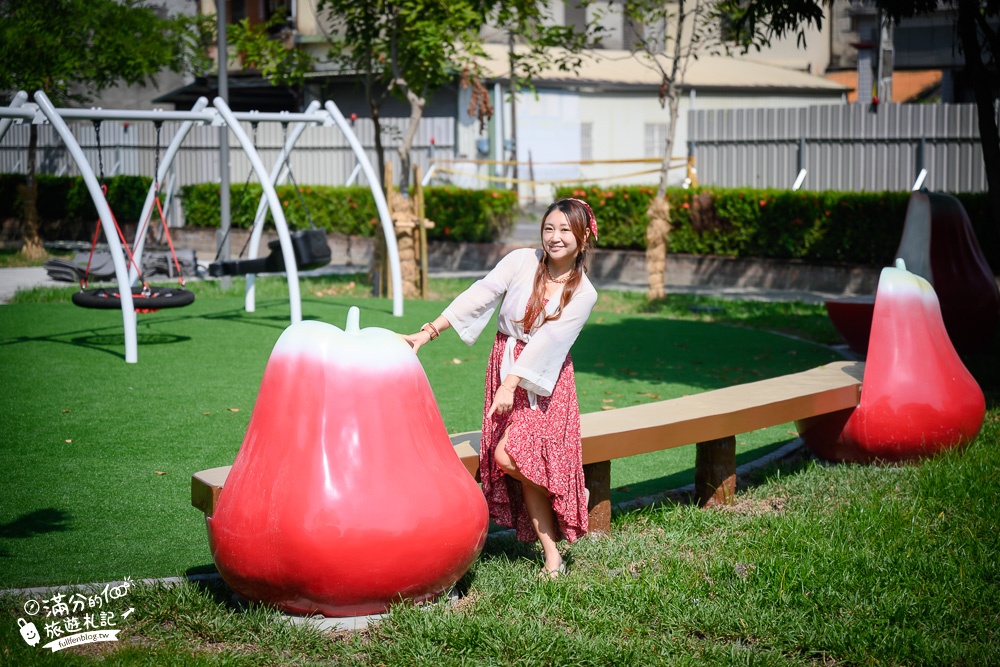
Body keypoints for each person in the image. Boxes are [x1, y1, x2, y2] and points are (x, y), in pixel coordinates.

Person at [404, 198, 599, 578]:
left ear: (583, 237)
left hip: (546, 382)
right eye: (549, 228)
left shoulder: (584, 293)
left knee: (510, 457)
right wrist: (428, 332)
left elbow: (549, 343)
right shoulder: (521, 261)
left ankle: (568, 497)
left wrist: (510, 384)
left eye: (564, 230)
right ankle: (553, 555)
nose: (555, 237)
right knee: (518, 459)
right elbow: (480, 294)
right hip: (505, 362)